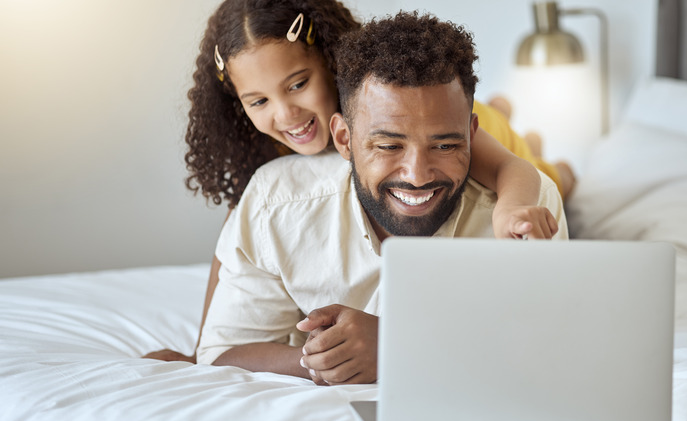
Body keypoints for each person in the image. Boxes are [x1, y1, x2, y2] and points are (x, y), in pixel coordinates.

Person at [144, 0, 572, 363]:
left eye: (298, 84)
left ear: (330, 65)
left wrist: (515, 207)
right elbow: (236, 242)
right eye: (259, 101)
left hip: (493, 138)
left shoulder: (415, 111)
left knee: (545, 173)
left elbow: (512, 171)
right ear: (344, 136)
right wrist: (201, 347)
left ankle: (549, 157)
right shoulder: (280, 173)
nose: (287, 113)